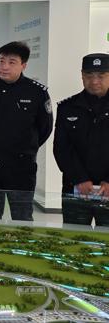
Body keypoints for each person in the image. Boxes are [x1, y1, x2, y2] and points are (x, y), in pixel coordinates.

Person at [0, 41, 53, 221]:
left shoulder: (36, 92)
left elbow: (44, 129)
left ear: (23, 65)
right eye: (1, 61)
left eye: (12, 62)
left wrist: (25, 148)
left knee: (22, 217)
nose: (5, 66)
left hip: (21, 168)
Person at [53, 53, 109, 227]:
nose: (94, 81)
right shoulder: (67, 107)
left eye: (101, 76)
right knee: (74, 237)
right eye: (89, 75)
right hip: (75, 188)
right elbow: (61, 148)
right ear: (82, 76)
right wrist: (79, 178)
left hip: (108, 190)